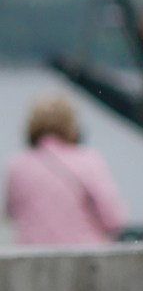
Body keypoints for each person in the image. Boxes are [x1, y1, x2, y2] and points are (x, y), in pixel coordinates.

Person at [5, 94, 128, 245]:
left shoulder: (17, 165)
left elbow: (11, 212)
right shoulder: (89, 160)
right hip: (84, 261)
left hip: (33, 261)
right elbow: (114, 219)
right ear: (72, 125)